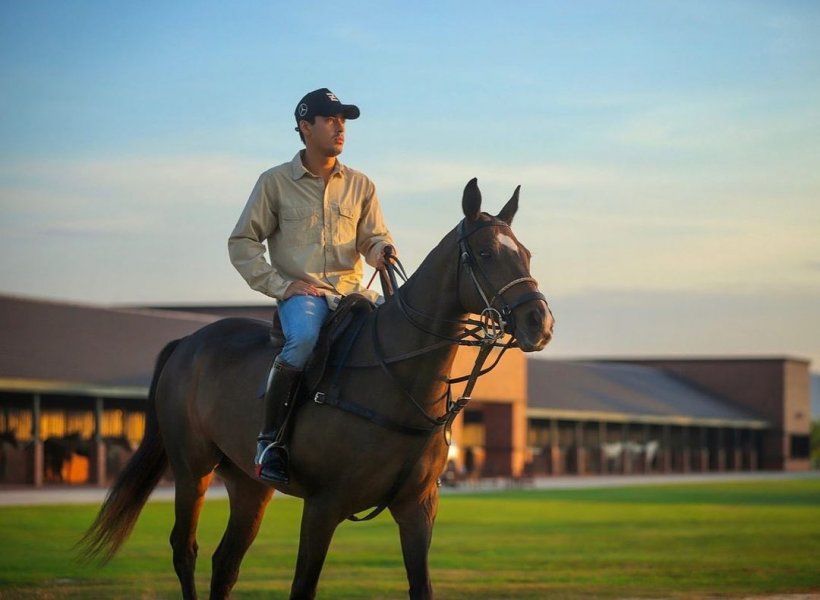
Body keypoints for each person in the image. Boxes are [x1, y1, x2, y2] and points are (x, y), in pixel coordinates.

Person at [228, 88, 396, 484]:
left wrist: (382, 249)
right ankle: (269, 442)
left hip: (354, 294)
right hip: (305, 297)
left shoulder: (362, 185)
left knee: (401, 334)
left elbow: (372, 238)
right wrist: (280, 286)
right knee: (302, 340)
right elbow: (243, 242)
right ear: (305, 127)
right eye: (331, 119)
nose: (340, 127)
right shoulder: (274, 183)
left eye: (344, 121)